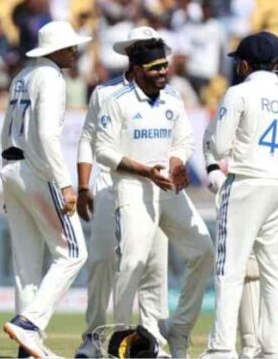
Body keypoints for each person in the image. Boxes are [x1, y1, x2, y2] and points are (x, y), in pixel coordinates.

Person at [95, 37, 215, 358]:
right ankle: (120, 336)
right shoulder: (117, 101)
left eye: (165, 65)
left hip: (168, 189)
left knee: (203, 251)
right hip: (134, 188)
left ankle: (179, 330)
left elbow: (184, 140)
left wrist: (176, 162)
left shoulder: (173, 98)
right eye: (155, 67)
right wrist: (146, 171)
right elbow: (103, 151)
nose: (163, 72)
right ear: (136, 70)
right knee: (134, 260)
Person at [204, 32, 278, 359]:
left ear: (245, 64)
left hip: (248, 182)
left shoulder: (239, 93)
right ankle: (271, 350)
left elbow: (220, 146)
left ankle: (222, 348)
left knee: (229, 268)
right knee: (274, 270)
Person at [74, 26, 171, 358]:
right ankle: (94, 337)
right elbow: (88, 139)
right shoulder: (105, 92)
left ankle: (152, 337)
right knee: (102, 259)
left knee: (153, 262)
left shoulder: (167, 93)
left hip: (155, 187)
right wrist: (84, 185)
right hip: (109, 186)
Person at [0, 21, 90, 358]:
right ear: (54, 51)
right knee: (73, 253)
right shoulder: (51, 78)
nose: (74, 51)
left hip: (11, 168)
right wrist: (66, 184)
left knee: (26, 267)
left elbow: (8, 128)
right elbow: (48, 134)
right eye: (69, 47)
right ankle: (30, 325)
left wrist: (10, 179)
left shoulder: (23, 75)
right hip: (38, 172)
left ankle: (27, 350)